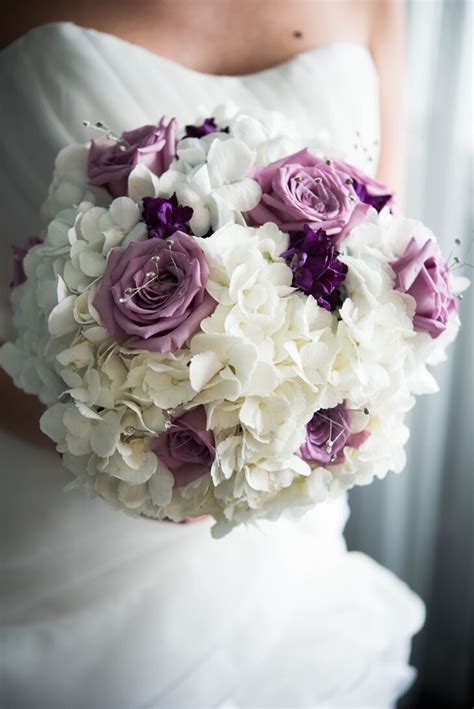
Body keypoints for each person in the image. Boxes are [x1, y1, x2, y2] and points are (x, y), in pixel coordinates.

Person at [0, 2, 423, 707]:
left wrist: (298, 430)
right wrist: (128, 452)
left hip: (281, 533)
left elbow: (392, 251)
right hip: (62, 503)